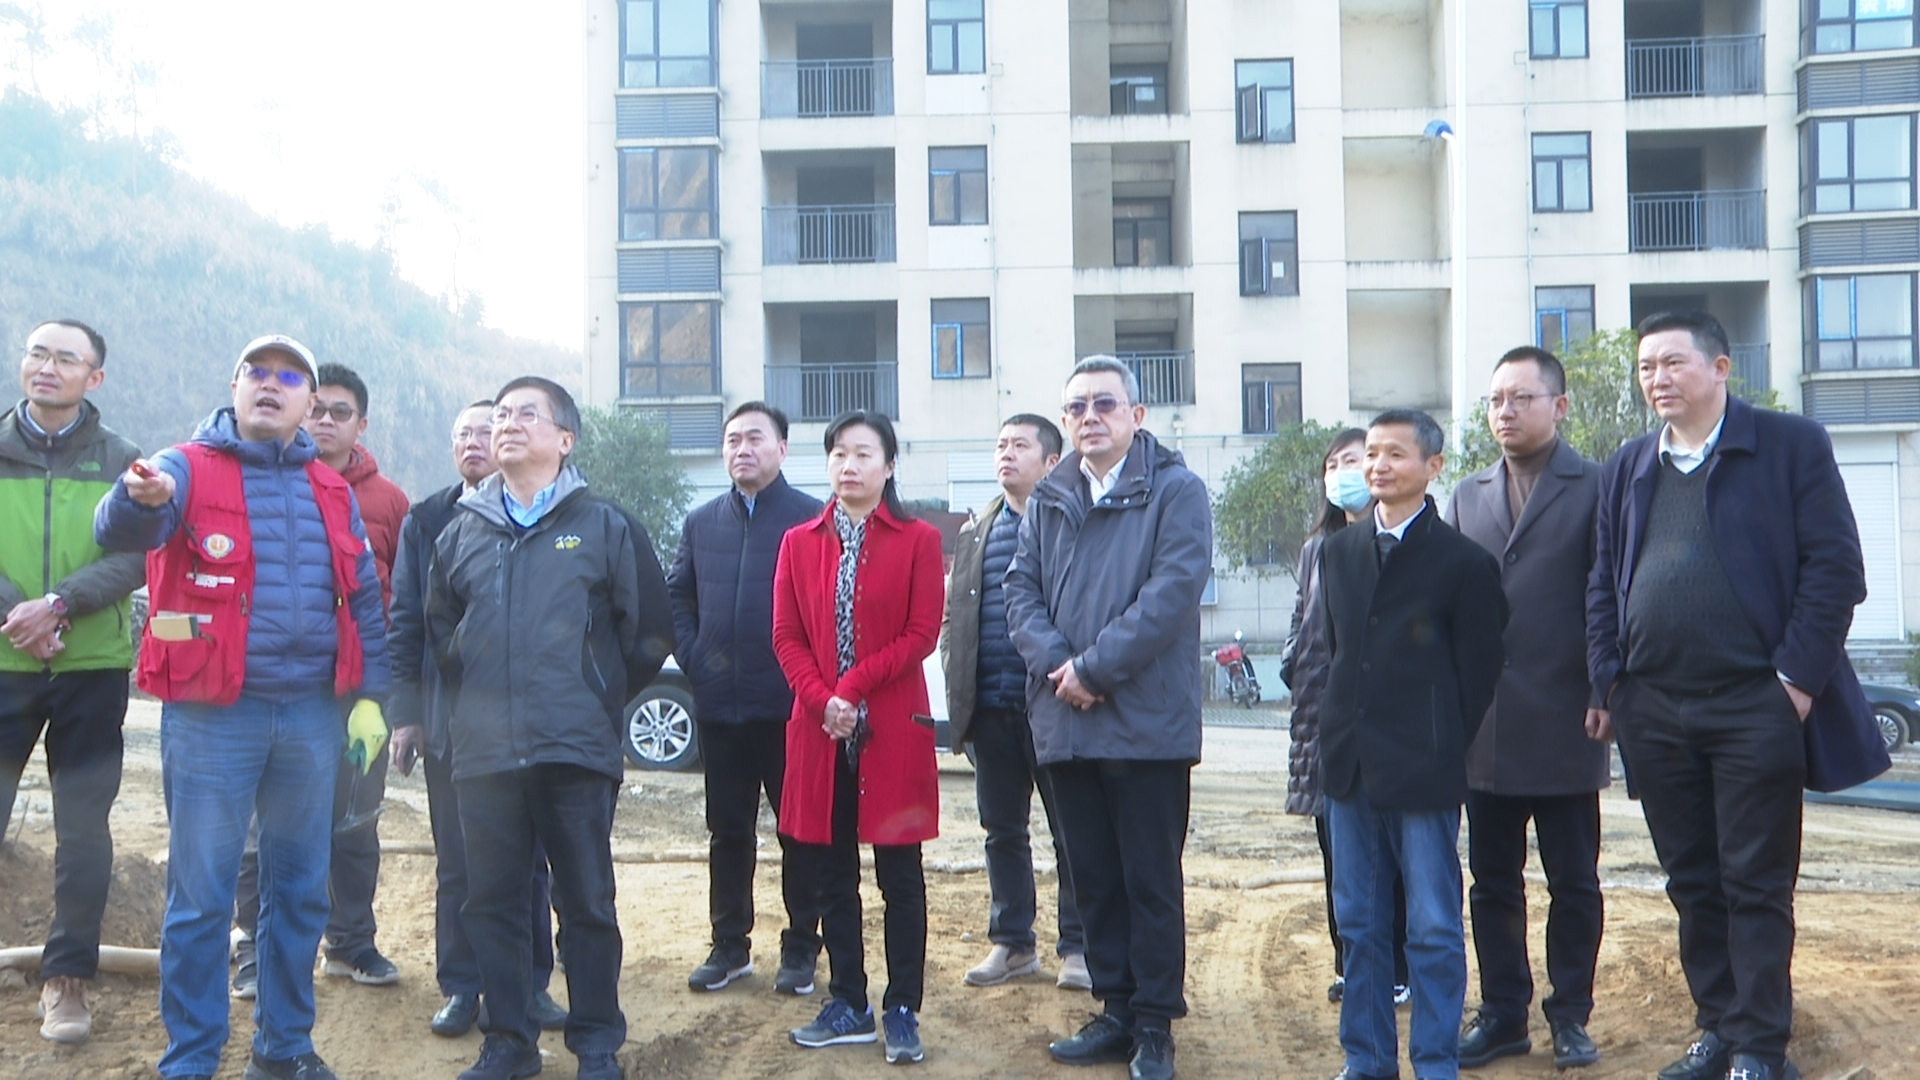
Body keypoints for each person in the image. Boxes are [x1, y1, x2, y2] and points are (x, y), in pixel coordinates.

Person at [1587, 311, 1884, 1080]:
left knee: (1755, 882)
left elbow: (1836, 570)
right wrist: (1611, 680)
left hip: (1755, 704)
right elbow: (1602, 582)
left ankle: (1759, 1047)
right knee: (1692, 881)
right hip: (1655, 708)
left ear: (1721, 367)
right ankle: (1717, 1027)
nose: (1657, 378)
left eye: (1673, 362)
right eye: (1646, 366)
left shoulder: (1788, 445)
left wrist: (1794, 683)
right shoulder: (1628, 466)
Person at [95, 334, 391, 1080]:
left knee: (299, 891)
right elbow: (123, 527)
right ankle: (191, 1058)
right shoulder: (184, 467)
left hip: (311, 717)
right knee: (201, 895)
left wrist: (371, 699)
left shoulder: (330, 490)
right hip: (212, 717)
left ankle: (283, 1047)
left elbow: (363, 600)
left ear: (308, 402)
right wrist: (134, 500)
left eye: (289, 376)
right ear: (234, 387)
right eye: (256, 371)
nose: (271, 383)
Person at [423, 376, 673, 1080]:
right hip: (485, 756)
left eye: (526, 414)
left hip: (575, 749)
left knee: (586, 902)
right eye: (501, 413)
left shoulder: (605, 525)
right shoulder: (461, 532)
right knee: (492, 904)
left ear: (565, 439)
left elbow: (650, 632)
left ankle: (595, 1043)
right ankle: (509, 1042)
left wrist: (595, 694)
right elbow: (442, 636)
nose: (507, 424)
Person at [1006, 356, 1213, 1080]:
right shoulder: (1049, 497)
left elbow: (1172, 593)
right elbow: (1019, 594)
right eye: (1076, 407)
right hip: (1065, 720)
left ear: (1137, 415)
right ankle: (1115, 1009)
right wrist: (1061, 666)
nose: (1089, 416)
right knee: (1092, 876)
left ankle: (1154, 1023)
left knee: (1148, 879)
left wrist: (1093, 669)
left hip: (1145, 725)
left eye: (1104, 403)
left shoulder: (1176, 491)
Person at [1316, 409, 1507, 1080]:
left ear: (1433, 466)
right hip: (1350, 766)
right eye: (1371, 452)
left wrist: (1435, 735)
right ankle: (1367, 1059)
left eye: (1396, 453)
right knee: (1359, 924)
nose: (1378, 465)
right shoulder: (1338, 553)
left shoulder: (1463, 563)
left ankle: (1434, 1062)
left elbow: (1478, 673)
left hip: (1424, 770)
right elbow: (1339, 653)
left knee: (1431, 926)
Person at [1444, 347, 1606, 1071]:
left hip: (1569, 718)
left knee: (1574, 882)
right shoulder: (1467, 495)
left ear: (1559, 406)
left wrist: (1606, 690)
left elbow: (1609, 598)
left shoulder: (1597, 486)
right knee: (1492, 884)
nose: (1505, 412)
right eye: (1495, 401)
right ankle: (1504, 1012)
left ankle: (1570, 1015)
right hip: (1486, 726)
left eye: (1521, 398)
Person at [385, 401, 567, 1037]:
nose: (472, 441)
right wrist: (407, 717)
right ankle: (462, 986)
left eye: (483, 430)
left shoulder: (548, 513)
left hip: (530, 721)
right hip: (451, 719)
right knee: (458, 862)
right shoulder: (427, 519)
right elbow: (405, 621)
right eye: (461, 433)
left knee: (531, 862)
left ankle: (531, 986)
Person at [232, 362, 413, 997]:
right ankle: (253, 947)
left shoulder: (389, 502)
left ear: (362, 424)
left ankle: (351, 942)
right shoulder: (257, 480)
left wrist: (382, 696)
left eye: (341, 412)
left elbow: (397, 602)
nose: (326, 421)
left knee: (356, 819)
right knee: (262, 825)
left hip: (359, 689)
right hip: (283, 684)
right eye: (318, 409)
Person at [774, 411, 943, 1067]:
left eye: (864, 453)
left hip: (890, 728)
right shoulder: (799, 542)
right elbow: (786, 636)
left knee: (900, 876)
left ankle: (902, 1008)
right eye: (839, 453)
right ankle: (848, 1000)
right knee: (831, 875)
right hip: (821, 733)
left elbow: (921, 632)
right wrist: (824, 701)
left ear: (889, 466)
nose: (849, 465)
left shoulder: (918, 539)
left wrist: (852, 688)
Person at [0, 319, 143, 1045]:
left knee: (83, 830)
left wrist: (58, 604)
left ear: (95, 376)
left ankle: (67, 979)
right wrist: (18, 615)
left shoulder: (123, 460)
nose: (47, 367)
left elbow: (137, 556)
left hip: (91, 668)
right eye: (37, 354)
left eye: (65, 358)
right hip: (3, 662)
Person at [669, 401, 825, 996]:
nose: (742, 449)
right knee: (728, 830)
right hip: (720, 707)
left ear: (782, 448)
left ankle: (801, 947)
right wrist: (695, 657)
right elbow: (677, 598)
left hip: (790, 707)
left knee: (799, 831)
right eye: (732, 439)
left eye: (755, 438)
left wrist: (810, 683)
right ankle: (729, 945)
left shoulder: (813, 518)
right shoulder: (701, 521)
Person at [942, 414, 1090, 991]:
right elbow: (955, 616)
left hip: (1054, 708)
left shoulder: (1073, 525)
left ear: (1052, 462)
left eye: (1020, 445)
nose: (1006, 453)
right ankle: (1013, 943)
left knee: (1071, 833)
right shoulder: (976, 529)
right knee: (1002, 831)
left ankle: (1078, 947)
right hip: (991, 708)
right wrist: (958, 675)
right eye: (1000, 444)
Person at [1278, 428, 1410, 1009]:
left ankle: (1398, 968)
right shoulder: (1318, 548)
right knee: (1338, 854)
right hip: (1320, 722)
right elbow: (1301, 619)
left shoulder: (1398, 542)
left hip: (1383, 725)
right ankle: (1350, 964)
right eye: (1332, 465)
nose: (1341, 474)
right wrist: (1293, 663)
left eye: (1351, 461)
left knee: (1392, 857)